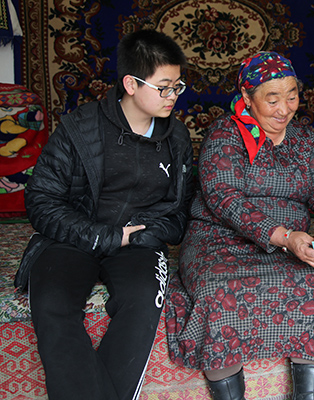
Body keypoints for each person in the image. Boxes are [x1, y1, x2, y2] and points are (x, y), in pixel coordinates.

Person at [164, 51, 314, 400]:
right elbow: (224, 197)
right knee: (218, 296)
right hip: (219, 241)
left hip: (290, 246)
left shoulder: (304, 140)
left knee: (312, 289)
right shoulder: (224, 134)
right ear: (247, 96)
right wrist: (284, 236)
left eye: (292, 96)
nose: (284, 109)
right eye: (272, 100)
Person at [20, 29, 194, 400]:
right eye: (164, 87)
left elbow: (180, 210)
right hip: (73, 236)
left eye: (178, 86)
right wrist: (106, 235)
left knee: (143, 299)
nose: (173, 96)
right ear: (131, 84)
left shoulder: (177, 137)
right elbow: (41, 199)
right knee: (52, 302)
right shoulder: (79, 127)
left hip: (139, 242)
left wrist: (144, 234)